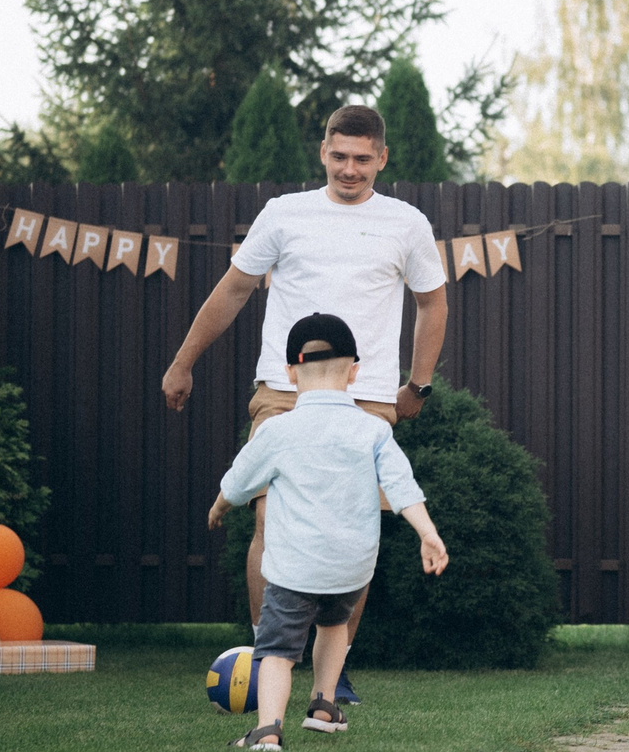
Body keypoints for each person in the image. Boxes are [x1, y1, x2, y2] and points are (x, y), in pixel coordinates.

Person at [164, 100, 447, 695]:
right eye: (339, 156)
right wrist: (183, 362)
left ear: (382, 159)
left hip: (365, 398)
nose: (350, 169)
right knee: (270, 518)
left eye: (362, 160)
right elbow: (235, 290)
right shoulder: (284, 214)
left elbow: (431, 302)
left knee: (354, 528)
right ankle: (269, 656)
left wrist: (417, 383)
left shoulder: (406, 223)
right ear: (323, 151)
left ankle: (332, 672)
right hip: (283, 393)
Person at [208, 314, 448, 751]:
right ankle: (322, 705)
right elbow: (401, 485)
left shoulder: (278, 430)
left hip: (294, 567)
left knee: (277, 648)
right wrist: (427, 533)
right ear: (354, 371)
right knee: (335, 626)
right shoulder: (372, 429)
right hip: (351, 568)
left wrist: (220, 505)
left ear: (290, 373)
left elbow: (239, 481)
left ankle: (267, 730)